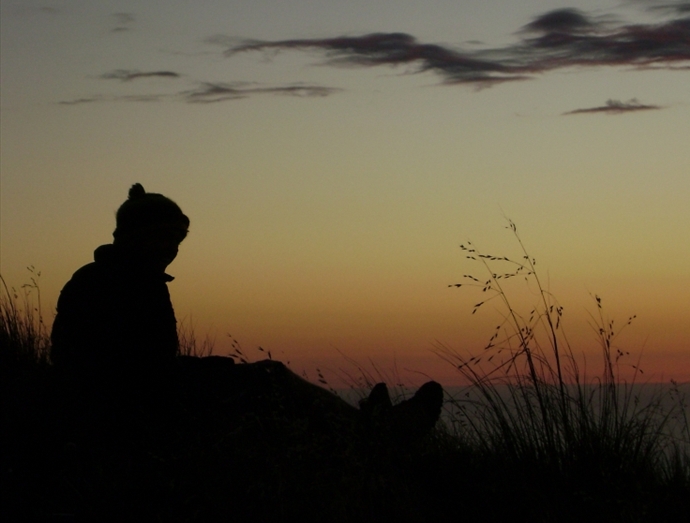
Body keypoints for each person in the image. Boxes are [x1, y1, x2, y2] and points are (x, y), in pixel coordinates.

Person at [50, 183, 442, 440]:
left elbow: (141, 365)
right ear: (134, 236)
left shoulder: (122, 278)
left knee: (267, 385)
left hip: (122, 405)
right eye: (164, 236)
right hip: (123, 415)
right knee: (271, 378)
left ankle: (364, 429)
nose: (172, 248)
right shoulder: (117, 284)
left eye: (178, 239)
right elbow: (132, 374)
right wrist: (208, 372)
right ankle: (373, 433)